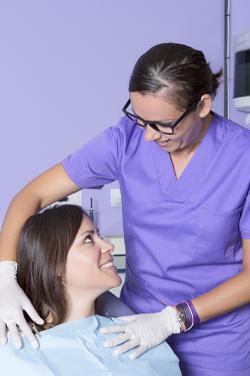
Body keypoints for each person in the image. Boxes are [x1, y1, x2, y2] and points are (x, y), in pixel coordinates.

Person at [0, 42, 249, 376]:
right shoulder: (125, 140)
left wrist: (174, 318)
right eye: (139, 118)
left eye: (162, 124)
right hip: (129, 322)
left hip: (216, 338)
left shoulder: (242, 160)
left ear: (202, 105)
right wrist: (5, 275)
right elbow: (30, 196)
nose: (147, 136)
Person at [0, 204, 181, 375]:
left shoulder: (139, 333)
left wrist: (173, 319)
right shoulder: (17, 351)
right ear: (55, 264)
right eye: (88, 239)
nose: (109, 246)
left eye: (99, 236)